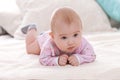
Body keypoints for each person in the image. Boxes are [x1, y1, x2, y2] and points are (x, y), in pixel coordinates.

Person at [21, 7, 96, 66]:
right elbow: (43, 59)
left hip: (54, 33)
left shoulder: (83, 42)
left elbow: (92, 55)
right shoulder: (49, 44)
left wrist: (79, 58)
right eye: (64, 37)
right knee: (30, 49)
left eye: (75, 35)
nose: (71, 42)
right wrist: (57, 60)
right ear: (53, 37)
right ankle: (31, 28)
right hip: (43, 39)